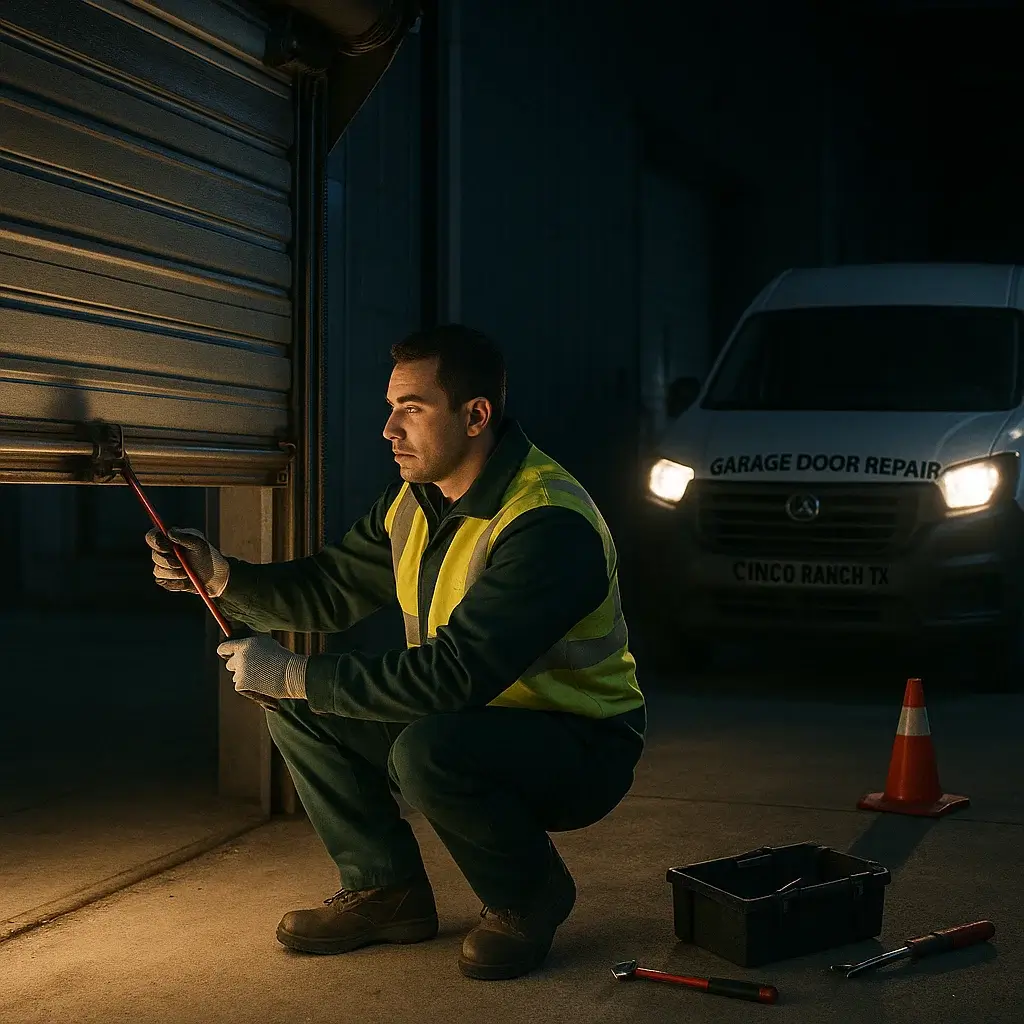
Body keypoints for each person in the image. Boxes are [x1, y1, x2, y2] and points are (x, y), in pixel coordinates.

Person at [146, 324, 646, 981]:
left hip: (580, 746)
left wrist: (297, 671)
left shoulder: (547, 523)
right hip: (474, 719)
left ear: (475, 416)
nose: (390, 430)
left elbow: (454, 674)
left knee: (421, 748)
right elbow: (329, 590)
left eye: (412, 408)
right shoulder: (416, 501)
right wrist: (220, 576)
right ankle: (388, 891)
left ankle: (528, 896)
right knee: (299, 708)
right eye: (391, 408)